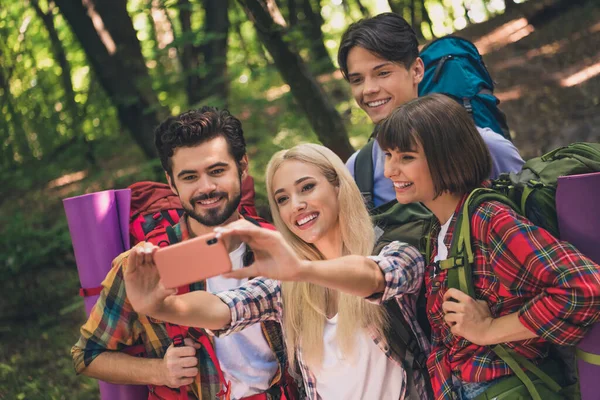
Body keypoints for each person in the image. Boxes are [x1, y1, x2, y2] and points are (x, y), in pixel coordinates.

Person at [123, 143, 433, 400]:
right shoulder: (290, 284)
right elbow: (227, 308)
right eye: (282, 198)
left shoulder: (394, 248)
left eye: (307, 187)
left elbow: (378, 277)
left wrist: (302, 270)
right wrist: (159, 306)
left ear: (338, 185)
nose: (296, 205)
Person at [376, 93, 600, 399]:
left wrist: (490, 329)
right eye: (388, 155)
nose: (390, 170)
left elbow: (584, 287)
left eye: (406, 157)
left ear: (447, 157)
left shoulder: (488, 218)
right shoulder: (439, 229)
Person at [71, 107, 295, 400]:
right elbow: (86, 355)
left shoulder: (280, 245)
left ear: (242, 167)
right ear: (171, 182)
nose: (206, 188)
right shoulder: (143, 265)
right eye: (189, 177)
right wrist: (159, 372)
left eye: (217, 171)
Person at [338, 12, 524, 208]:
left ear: (417, 71)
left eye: (383, 73)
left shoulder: (486, 147)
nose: (368, 90)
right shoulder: (357, 171)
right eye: (357, 80)